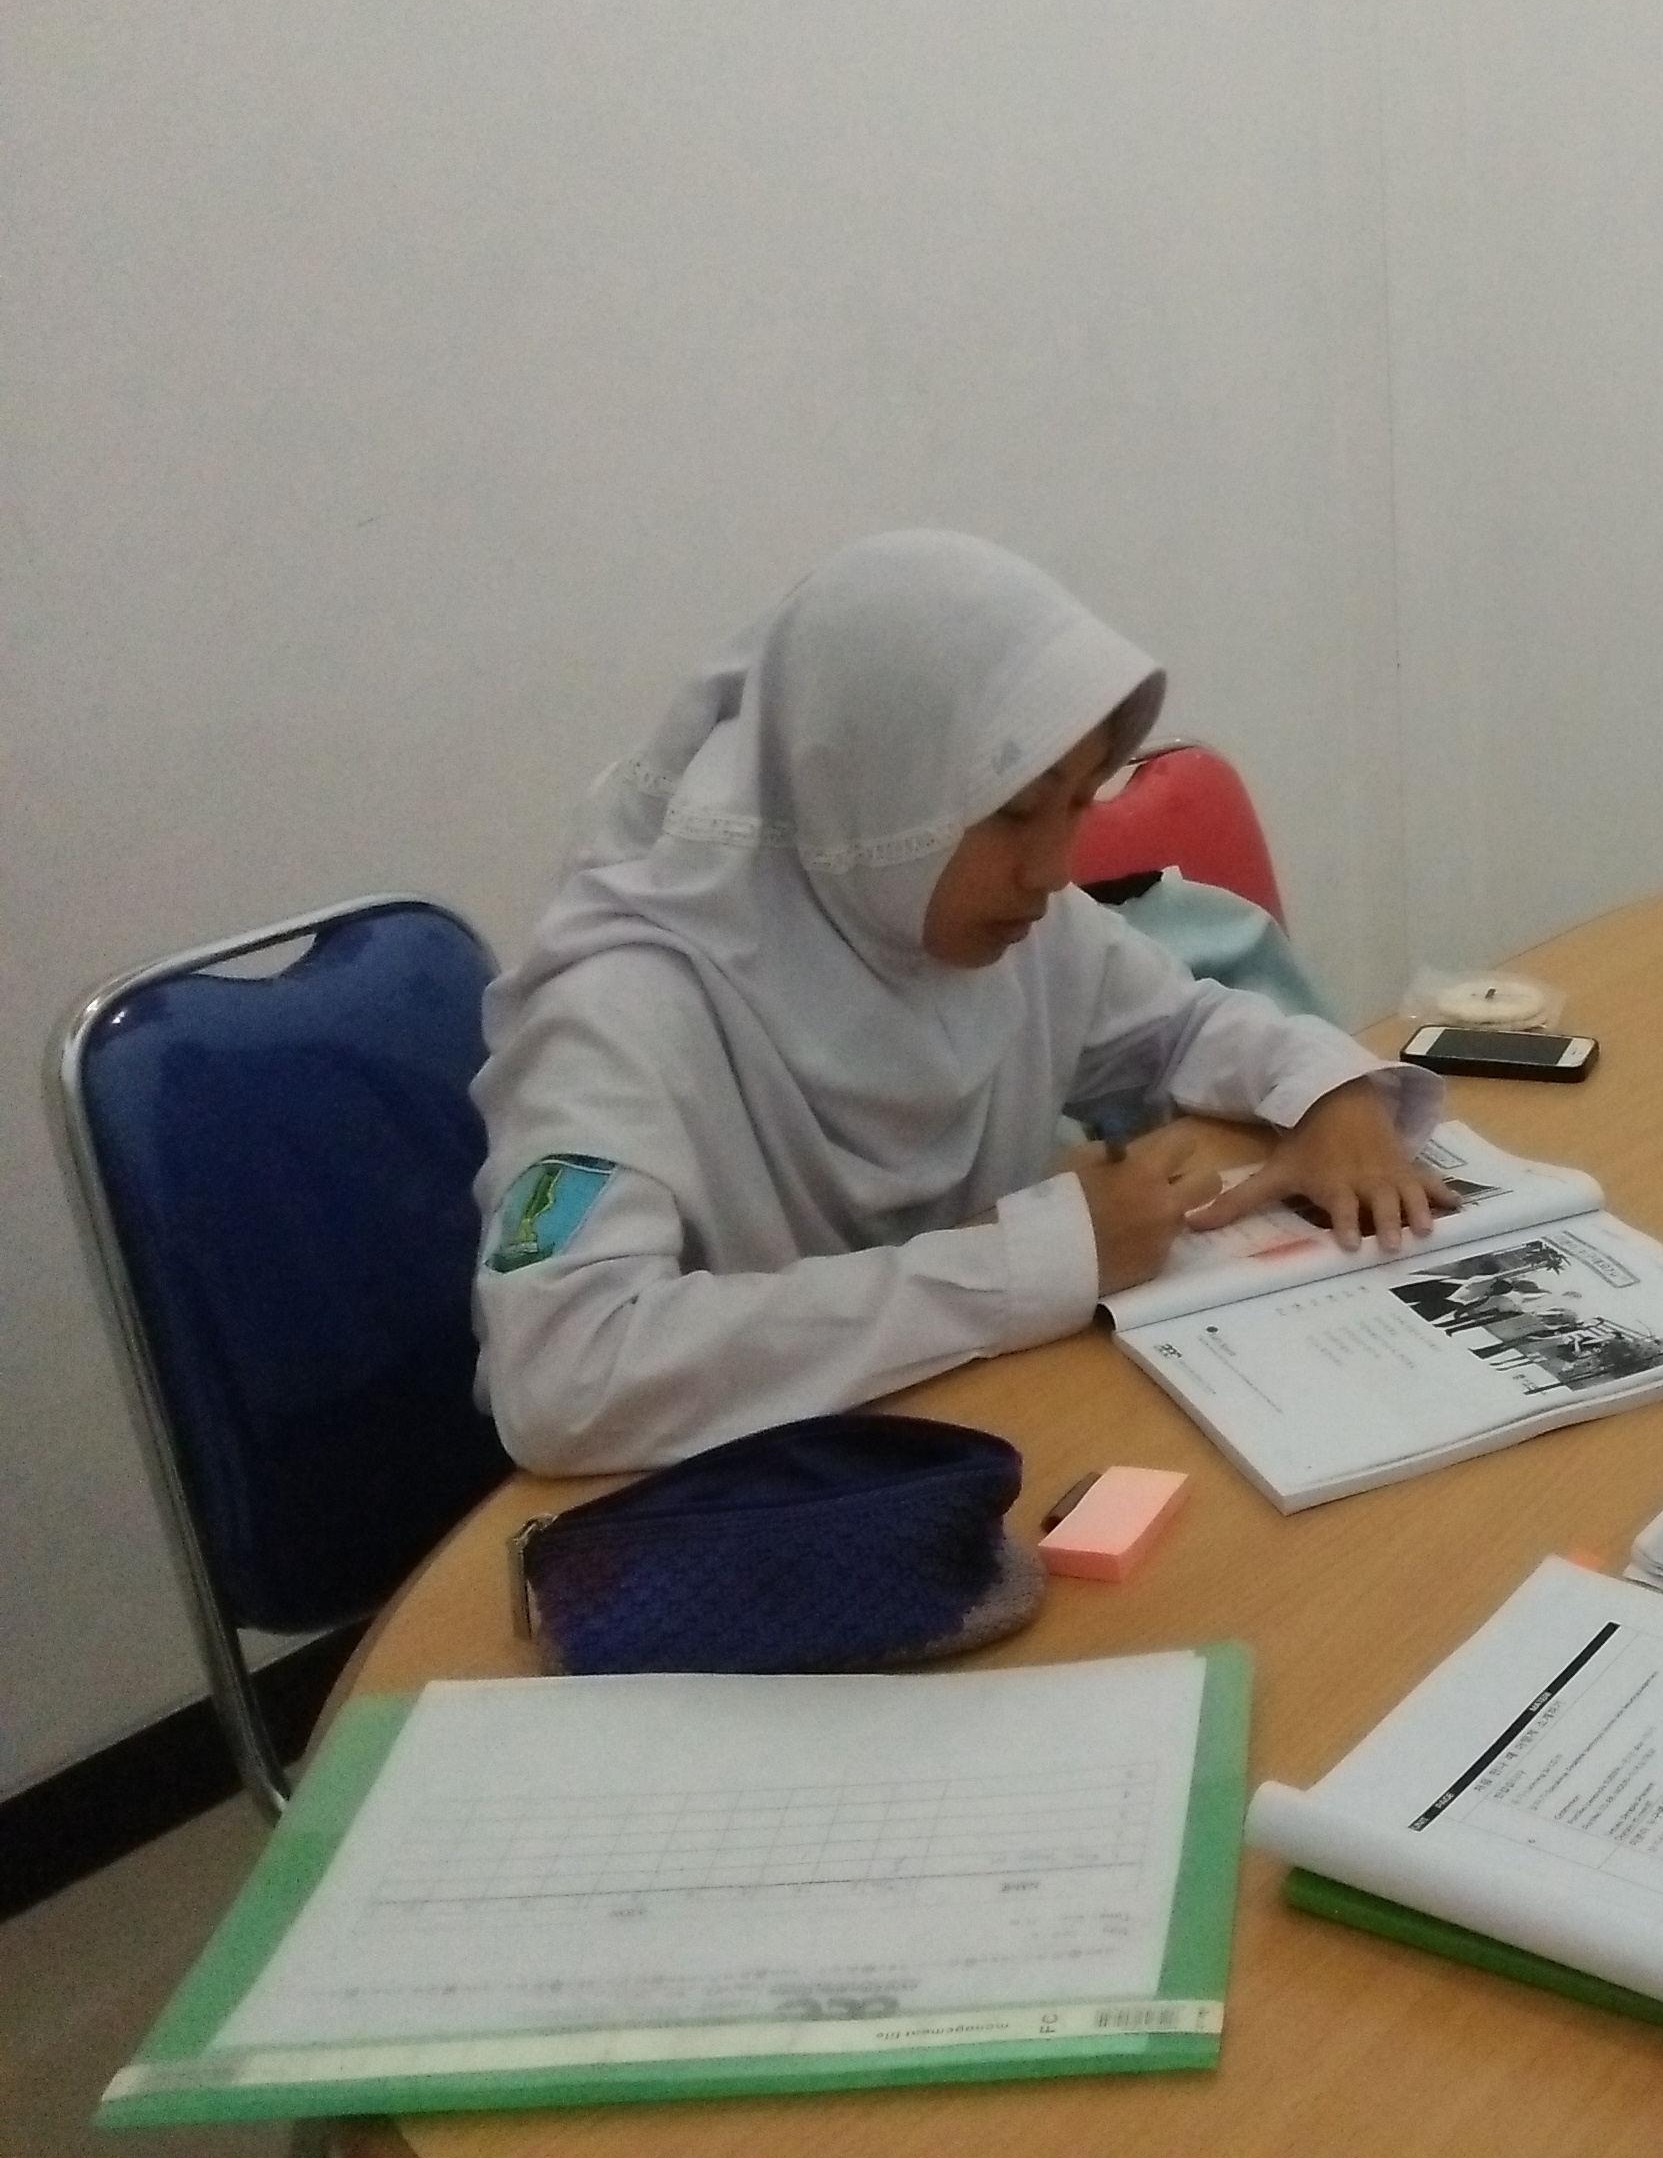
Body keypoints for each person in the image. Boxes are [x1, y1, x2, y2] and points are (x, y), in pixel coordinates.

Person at [472, 529, 1451, 1475]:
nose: (1053, 867)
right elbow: (564, 1370)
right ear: (868, 790)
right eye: (1015, 811)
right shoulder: (618, 1010)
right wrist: (1034, 1263)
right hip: (755, 1515)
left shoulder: (1015, 928)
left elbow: (1184, 1025)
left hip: (992, 1440)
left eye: (1081, 801)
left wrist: (1328, 1091)